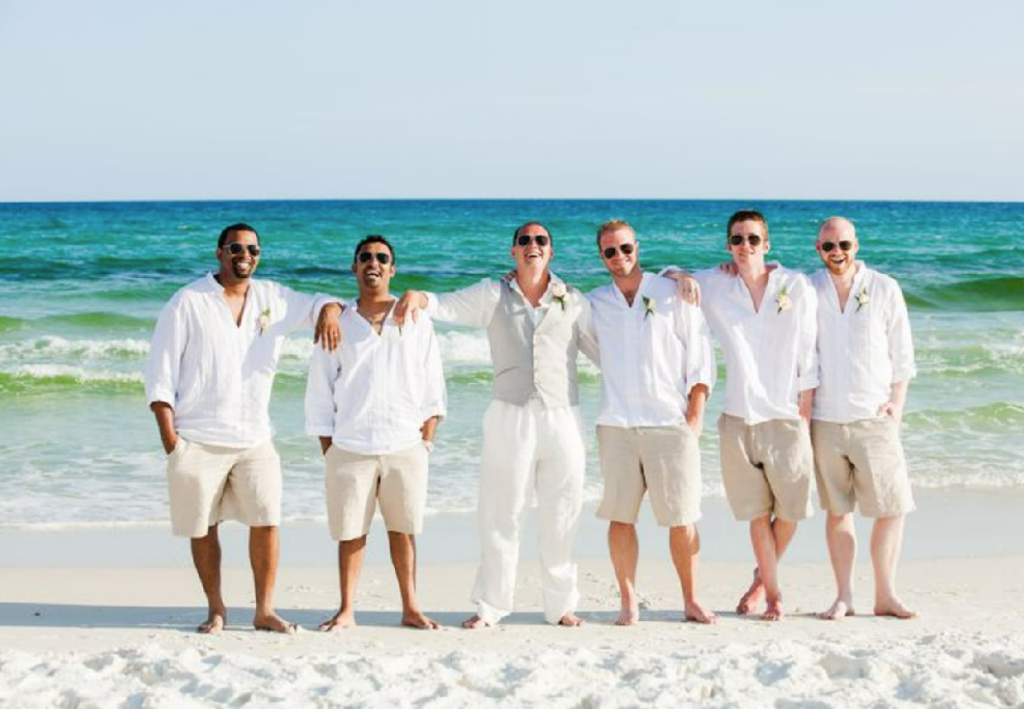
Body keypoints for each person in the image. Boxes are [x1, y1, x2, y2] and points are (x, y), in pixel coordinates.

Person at [394, 221, 598, 629]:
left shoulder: (573, 299)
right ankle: (491, 605)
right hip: (510, 415)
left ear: (551, 251)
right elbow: (447, 305)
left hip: (563, 417)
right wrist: (418, 296)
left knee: (563, 511)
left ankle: (561, 605)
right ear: (513, 251)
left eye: (541, 241)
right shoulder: (492, 293)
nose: (532, 246)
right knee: (501, 511)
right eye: (524, 241)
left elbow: (604, 352)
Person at [145, 222, 342, 634]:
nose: (244, 256)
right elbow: (160, 377)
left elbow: (323, 300)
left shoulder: (272, 298)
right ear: (219, 253)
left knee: (267, 520)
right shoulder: (188, 302)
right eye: (235, 248)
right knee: (203, 527)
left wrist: (329, 310)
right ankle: (216, 608)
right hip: (196, 437)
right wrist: (172, 443)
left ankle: (264, 610)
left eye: (252, 249)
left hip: (255, 436)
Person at [667, 209, 819, 621]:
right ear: (728, 246)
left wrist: (805, 409)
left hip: (787, 416)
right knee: (755, 514)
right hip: (737, 416)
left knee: (791, 511)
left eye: (753, 239)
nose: (745, 247)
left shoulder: (796, 286)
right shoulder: (716, 284)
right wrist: (680, 273)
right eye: (737, 240)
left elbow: (809, 350)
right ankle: (772, 595)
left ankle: (758, 580)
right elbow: (663, 276)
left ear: (766, 245)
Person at [305, 235, 447, 631]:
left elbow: (432, 384)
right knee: (351, 533)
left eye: (382, 258)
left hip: (405, 445)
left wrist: (426, 440)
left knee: (404, 531)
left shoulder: (415, 318)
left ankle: (411, 607)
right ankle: (347, 609)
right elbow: (320, 390)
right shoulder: (338, 321)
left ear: (392, 269)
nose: (374, 263)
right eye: (365, 257)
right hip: (350, 448)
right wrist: (330, 448)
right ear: (354, 267)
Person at [584, 220, 717, 625]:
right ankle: (628, 600)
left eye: (625, 248)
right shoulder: (594, 303)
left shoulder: (672, 292)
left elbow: (699, 356)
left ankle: (691, 599)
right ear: (601, 256)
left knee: (682, 516)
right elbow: (590, 347)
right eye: (610, 252)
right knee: (620, 516)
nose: (619, 257)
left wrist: (694, 416)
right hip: (617, 424)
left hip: (668, 423)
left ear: (637, 247)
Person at [810, 216, 917, 620]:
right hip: (824, 418)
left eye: (844, 245)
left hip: (874, 416)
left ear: (857, 245)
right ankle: (843, 596)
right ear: (817, 250)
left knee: (892, 507)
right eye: (828, 247)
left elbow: (902, 354)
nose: (837, 253)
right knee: (838, 511)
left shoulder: (884, 288)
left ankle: (886, 594)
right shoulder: (808, 288)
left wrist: (897, 405)